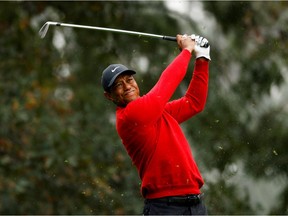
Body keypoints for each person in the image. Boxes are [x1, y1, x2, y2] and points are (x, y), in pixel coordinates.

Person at [101, 34, 210, 215]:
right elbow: (165, 85)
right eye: (118, 85)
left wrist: (203, 58)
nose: (127, 86)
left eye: (129, 80)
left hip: (195, 205)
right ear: (109, 96)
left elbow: (194, 102)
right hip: (165, 208)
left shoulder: (157, 112)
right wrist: (187, 51)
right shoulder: (130, 116)